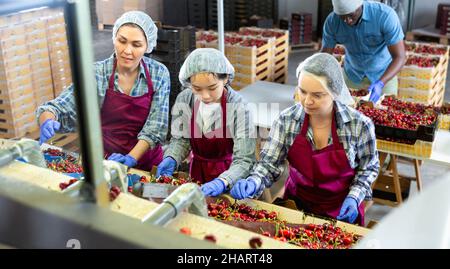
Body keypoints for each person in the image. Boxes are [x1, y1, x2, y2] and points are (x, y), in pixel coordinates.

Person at [227, 53, 380, 226]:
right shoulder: (287, 121)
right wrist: (254, 181)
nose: (307, 101)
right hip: (296, 207)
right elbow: (269, 164)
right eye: (302, 91)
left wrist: (355, 197)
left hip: (342, 210)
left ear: (335, 93)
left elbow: (369, 167)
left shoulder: (358, 125)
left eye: (317, 95)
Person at [36, 11, 170, 171]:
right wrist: (48, 120)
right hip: (105, 162)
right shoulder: (96, 73)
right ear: (114, 39)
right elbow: (58, 107)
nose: (127, 50)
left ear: (148, 46)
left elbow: (156, 127)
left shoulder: (159, 74)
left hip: (146, 163)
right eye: (122, 41)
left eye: (136, 44)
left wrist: (131, 158)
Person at [156, 48, 256, 195]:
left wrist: (223, 181)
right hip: (196, 171)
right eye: (197, 88)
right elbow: (181, 140)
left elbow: (244, 159)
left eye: (212, 88)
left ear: (226, 78)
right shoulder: (185, 99)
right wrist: (172, 157)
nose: (205, 96)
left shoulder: (238, 107)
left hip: (229, 175)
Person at [321, 0, 406, 103]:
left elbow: (400, 57)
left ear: (360, 5)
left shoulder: (384, 16)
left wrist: (381, 83)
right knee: (348, 115)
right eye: (342, 17)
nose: (348, 21)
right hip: (352, 76)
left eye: (351, 15)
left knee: (384, 115)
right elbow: (325, 57)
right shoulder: (332, 22)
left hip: (384, 76)